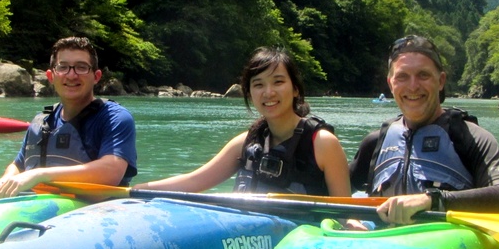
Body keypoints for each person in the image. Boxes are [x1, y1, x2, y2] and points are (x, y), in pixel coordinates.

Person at [349, 34, 499, 225]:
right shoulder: (375, 142)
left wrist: (432, 200)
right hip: (383, 248)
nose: (413, 86)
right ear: (391, 84)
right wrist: (349, 220)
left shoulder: (470, 138)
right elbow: (332, 189)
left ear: (441, 81)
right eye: (402, 76)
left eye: (423, 75)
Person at [140, 47, 351, 196]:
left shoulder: (323, 143)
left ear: (295, 89)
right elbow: (194, 181)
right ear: (249, 93)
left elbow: (346, 213)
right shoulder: (246, 143)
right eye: (258, 85)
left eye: (278, 82)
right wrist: (134, 191)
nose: (268, 92)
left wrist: (352, 224)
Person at [0, 36, 137, 198]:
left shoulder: (115, 118)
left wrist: (40, 174)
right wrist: (5, 180)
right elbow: (19, 165)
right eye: (63, 67)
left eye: (81, 67)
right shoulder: (40, 121)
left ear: (96, 77)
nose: (71, 76)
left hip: (93, 214)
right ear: (51, 76)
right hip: (35, 209)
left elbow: (111, 171)